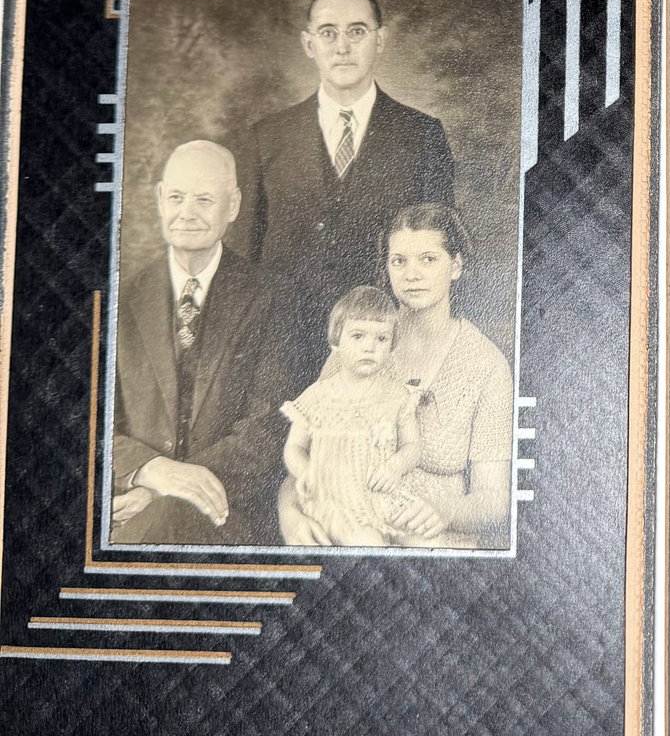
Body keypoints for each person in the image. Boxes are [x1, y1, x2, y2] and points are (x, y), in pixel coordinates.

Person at [233, 0, 455, 395]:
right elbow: (245, 255)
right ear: (308, 43)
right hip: (282, 350)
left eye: (357, 31)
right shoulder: (267, 137)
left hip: (384, 344)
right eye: (328, 32)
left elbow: (439, 255)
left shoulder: (422, 135)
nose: (342, 47)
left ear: (380, 40)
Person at [111, 139, 279, 545]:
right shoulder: (118, 292)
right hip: (126, 506)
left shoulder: (269, 295)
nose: (187, 213)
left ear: (234, 205)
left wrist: (164, 487)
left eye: (204, 199)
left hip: (224, 512)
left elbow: (269, 425)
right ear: (159, 199)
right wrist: (148, 469)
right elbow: (88, 422)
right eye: (176, 197)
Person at [377, 205, 513, 551]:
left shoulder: (487, 365)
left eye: (428, 259)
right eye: (399, 261)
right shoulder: (362, 339)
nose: (412, 274)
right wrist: (293, 515)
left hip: (438, 542)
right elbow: (307, 462)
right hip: (361, 529)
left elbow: (494, 500)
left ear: (456, 266)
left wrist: (444, 511)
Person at [278, 286, 444, 549]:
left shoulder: (398, 396)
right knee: (370, 542)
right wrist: (306, 471)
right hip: (334, 498)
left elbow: (412, 446)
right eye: (358, 336)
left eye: (381, 339)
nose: (370, 347)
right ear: (336, 342)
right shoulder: (317, 396)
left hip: (382, 495)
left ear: (392, 345)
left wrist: (394, 467)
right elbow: (295, 447)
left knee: (429, 542)